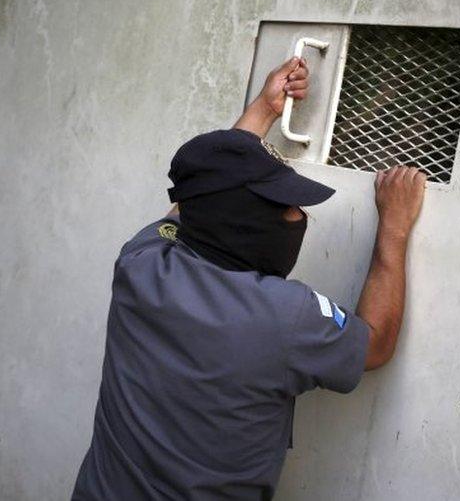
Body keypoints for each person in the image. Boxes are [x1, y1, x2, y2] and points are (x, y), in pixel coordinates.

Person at [72, 56, 427, 500]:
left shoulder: (142, 263)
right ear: (244, 224)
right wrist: (394, 227)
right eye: (285, 207)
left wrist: (263, 109)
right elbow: (375, 345)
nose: (299, 216)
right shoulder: (285, 316)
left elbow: (195, 203)